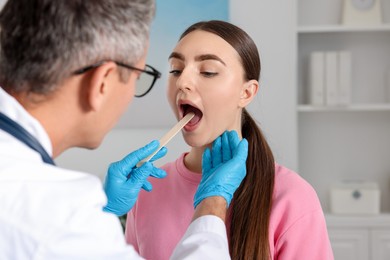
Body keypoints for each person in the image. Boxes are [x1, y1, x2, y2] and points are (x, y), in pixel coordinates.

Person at [0, 1, 249, 259]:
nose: (183, 83)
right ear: (102, 83)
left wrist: (104, 212)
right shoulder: (61, 222)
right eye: (139, 77)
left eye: (208, 71)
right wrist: (213, 202)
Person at [125, 20, 335, 260]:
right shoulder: (146, 190)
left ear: (246, 93)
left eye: (208, 71)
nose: (182, 82)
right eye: (175, 69)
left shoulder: (292, 196)